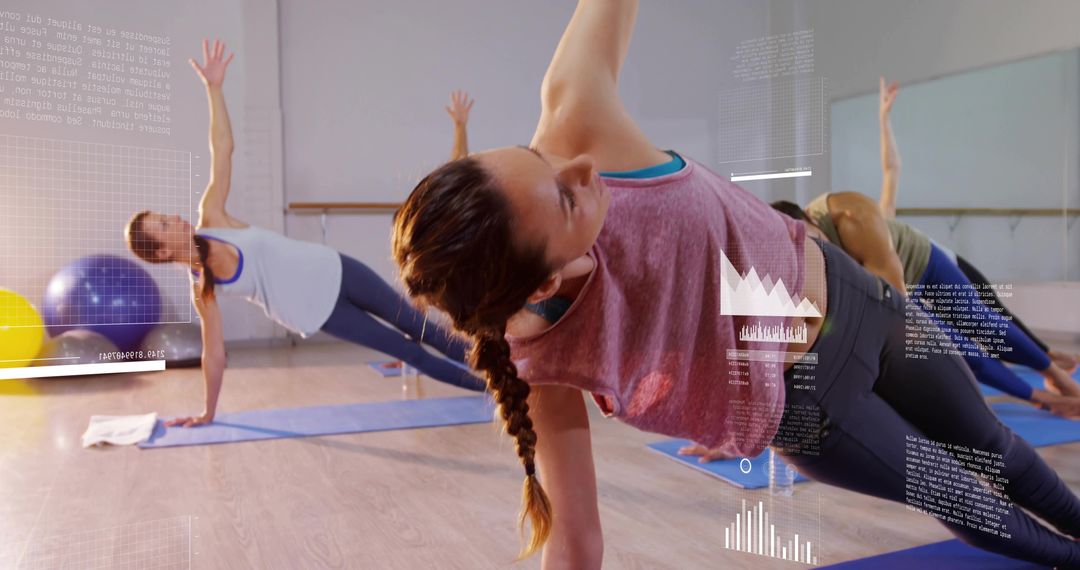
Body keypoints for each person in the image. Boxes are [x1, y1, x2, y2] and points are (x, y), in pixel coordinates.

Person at [390, 2, 1080, 567]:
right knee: (959, 495)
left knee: (996, 447)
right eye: (567, 200)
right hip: (812, 410)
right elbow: (574, 542)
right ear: (542, 283)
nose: (580, 168)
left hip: (860, 302)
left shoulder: (576, 119)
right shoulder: (541, 363)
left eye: (537, 157)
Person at [124, 40, 484, 426]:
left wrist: (214, 88)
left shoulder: (211, 217)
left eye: (164, 216)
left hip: (336, 268)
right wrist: (207, 412)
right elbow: (213, 353)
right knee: (408, 352)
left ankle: (503, 371)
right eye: (163, 225)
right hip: (317, 311)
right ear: (161, 253)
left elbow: (222, 149)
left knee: (420, 326)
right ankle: (495, 390)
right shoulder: (202, 290)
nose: (174, 218)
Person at [770, 77, 1080, 416]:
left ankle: (1055, 375)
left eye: (817, 242)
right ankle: (1044, 399)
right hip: (887, 286)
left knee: (981, 320)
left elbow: (897, 304)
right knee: (956, 351)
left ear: (812, 220)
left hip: (922, 262)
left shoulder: (851, 216)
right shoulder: (804, 258)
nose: (820, 254)